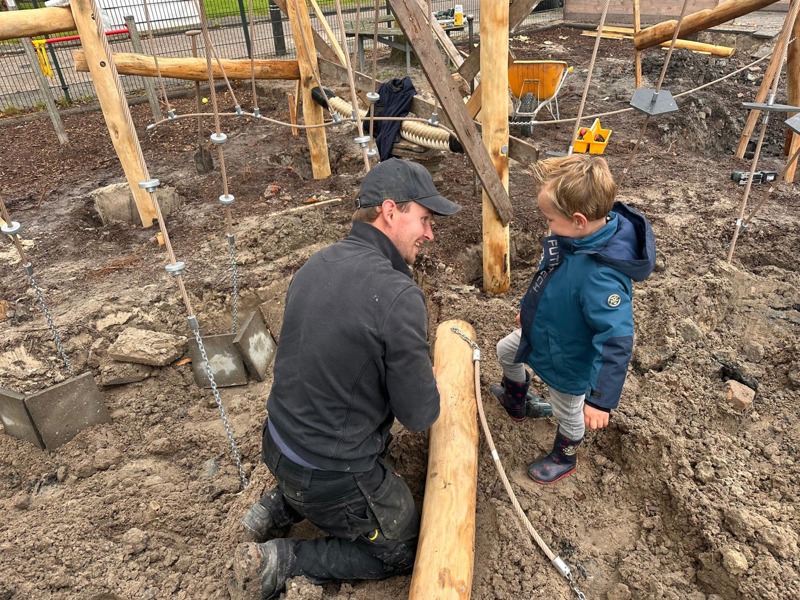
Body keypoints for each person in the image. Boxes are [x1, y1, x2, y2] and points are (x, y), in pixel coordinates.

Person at [229, 158, 461, 600]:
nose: (430, 234)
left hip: (277, 444)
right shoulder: (397, 295)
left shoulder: (318, 263)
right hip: (332, 474)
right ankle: (284, 560)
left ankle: (282, 504)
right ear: (390, 212)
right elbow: (419, 414)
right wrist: (423, 379)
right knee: (402, 547)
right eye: (426, 219)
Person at [493, 154, 655, 484]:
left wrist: (600, 400)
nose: (547, 226)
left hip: (570, 360)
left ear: (579, 220)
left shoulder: (601, 277)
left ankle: (564, 455)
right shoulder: (570, 242)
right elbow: (547, 277)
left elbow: (616, 339)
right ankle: (517, 401)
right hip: (543, 334)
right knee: (504, 352)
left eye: (550, 219)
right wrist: (529, 309)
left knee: (569, 412)